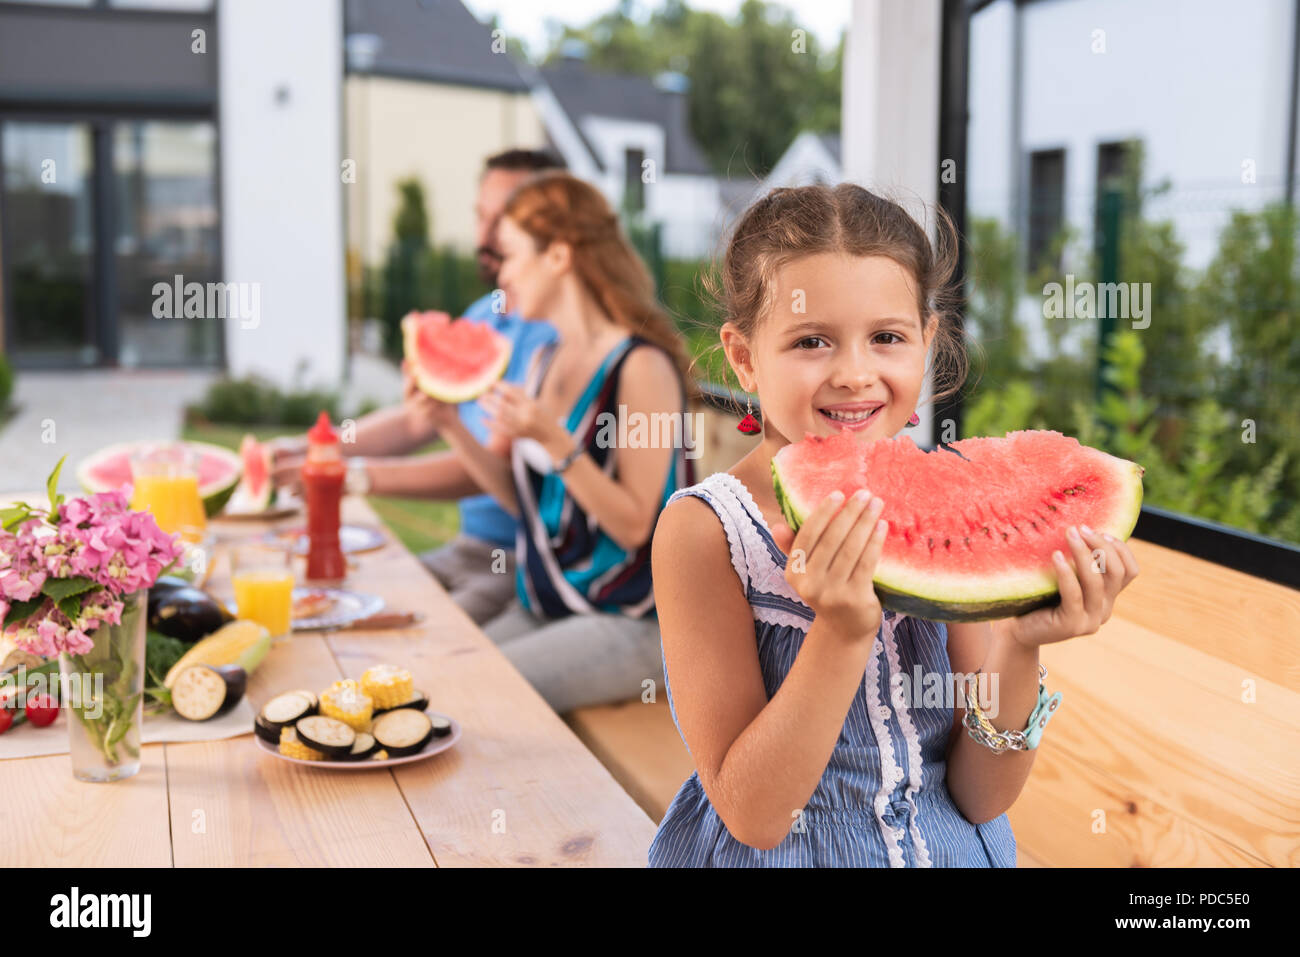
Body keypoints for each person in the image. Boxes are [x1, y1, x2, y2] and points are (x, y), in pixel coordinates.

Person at [646, 183, 1142, 867]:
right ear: (744, 355)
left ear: (926, 342)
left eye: (887, 337)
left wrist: (1024, 645)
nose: (856, 374)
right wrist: (843, 631)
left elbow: (980, 795)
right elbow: (755, 814)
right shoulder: (705, 533)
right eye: (811, 340)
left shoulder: (950, 516)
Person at [404, 170, 694, 713]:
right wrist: (447, 422)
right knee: (430, 682)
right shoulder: (542, 360)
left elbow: (634, 526)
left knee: (473, 701)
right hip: (551, 601)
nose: (503, 273)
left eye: (512, 255)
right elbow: (526, 505)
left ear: (558, 256)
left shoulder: (640, 366)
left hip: (629, 618)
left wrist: (556, 443)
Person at [269, 148, 563, 625]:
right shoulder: (485, 314)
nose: (485, 236)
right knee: (335, 607)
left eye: (503, 220)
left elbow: (489, 469)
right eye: (480, 216)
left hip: (517, 560)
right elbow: (417, 420)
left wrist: (356, 476)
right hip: (466, 549)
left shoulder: (554, 337)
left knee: (409, 645)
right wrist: (308, 447)